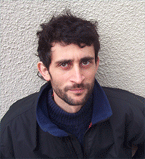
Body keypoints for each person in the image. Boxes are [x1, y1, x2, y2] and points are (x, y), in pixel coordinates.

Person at [0, 12, 144, 158]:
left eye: (86, 62)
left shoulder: (127, 111)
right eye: (64, 64)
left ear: (96, 64)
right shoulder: (14, 127)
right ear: (45, 71)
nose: (78, 78)